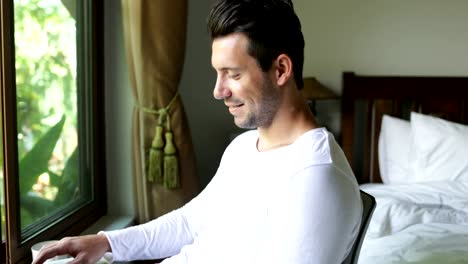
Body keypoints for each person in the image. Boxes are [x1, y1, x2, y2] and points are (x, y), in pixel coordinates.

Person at [33, 0, 362, 263]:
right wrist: (105, 242)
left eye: (232, 74)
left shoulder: (316, 177)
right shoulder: (245, 147)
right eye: (218, 74)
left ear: (280, 69)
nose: (218, 91)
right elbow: (192, 222)